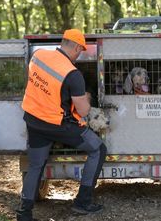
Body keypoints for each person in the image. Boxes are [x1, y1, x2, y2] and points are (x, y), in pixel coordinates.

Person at [16, 29, 107, 221]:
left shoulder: (37, 56)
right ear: (75, 47)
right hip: (60, 126)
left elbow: (42, 86)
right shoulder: (73, 74)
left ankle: (24, 213)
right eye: (80, 51)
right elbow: (82, 112)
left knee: (35, 166)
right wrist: (86, 98)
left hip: (34, 122)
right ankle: (82, 202)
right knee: (98, 149)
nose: (79, 55)